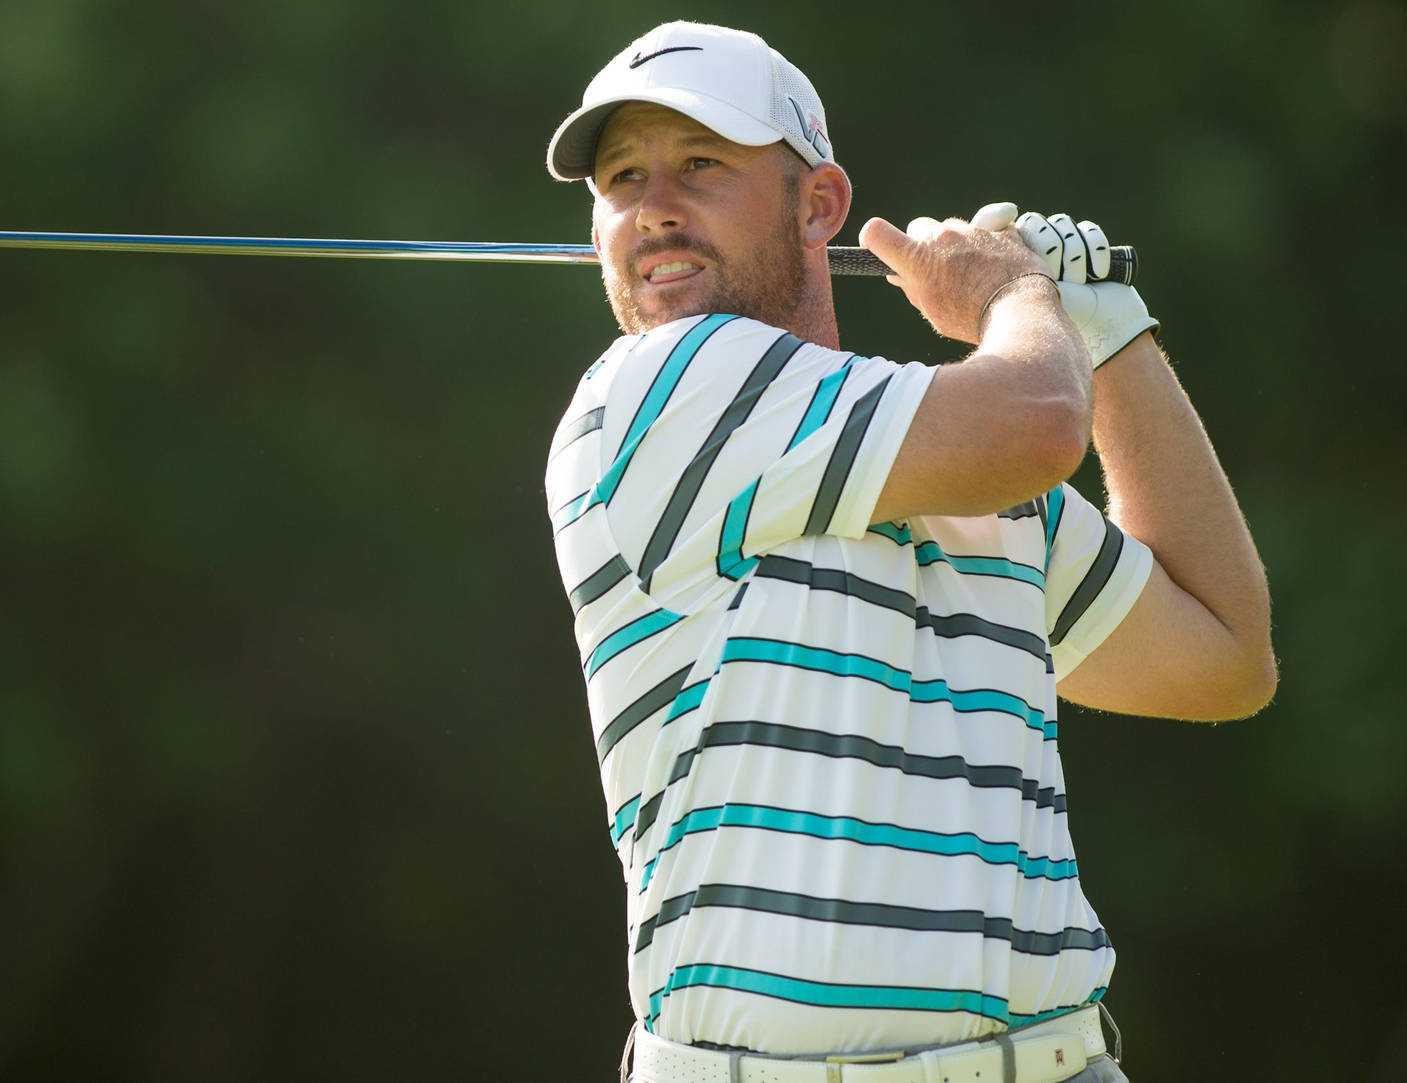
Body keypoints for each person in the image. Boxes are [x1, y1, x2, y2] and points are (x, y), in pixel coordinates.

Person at [541, 21, 1275, 1083]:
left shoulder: (959, 458)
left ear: (820, 204)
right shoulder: (654, 390)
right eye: (622, 177)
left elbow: (1223, 653)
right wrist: (1020, 298)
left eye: (701, 163)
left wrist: (1111, 337)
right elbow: (1034, 417)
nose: (654, 203)